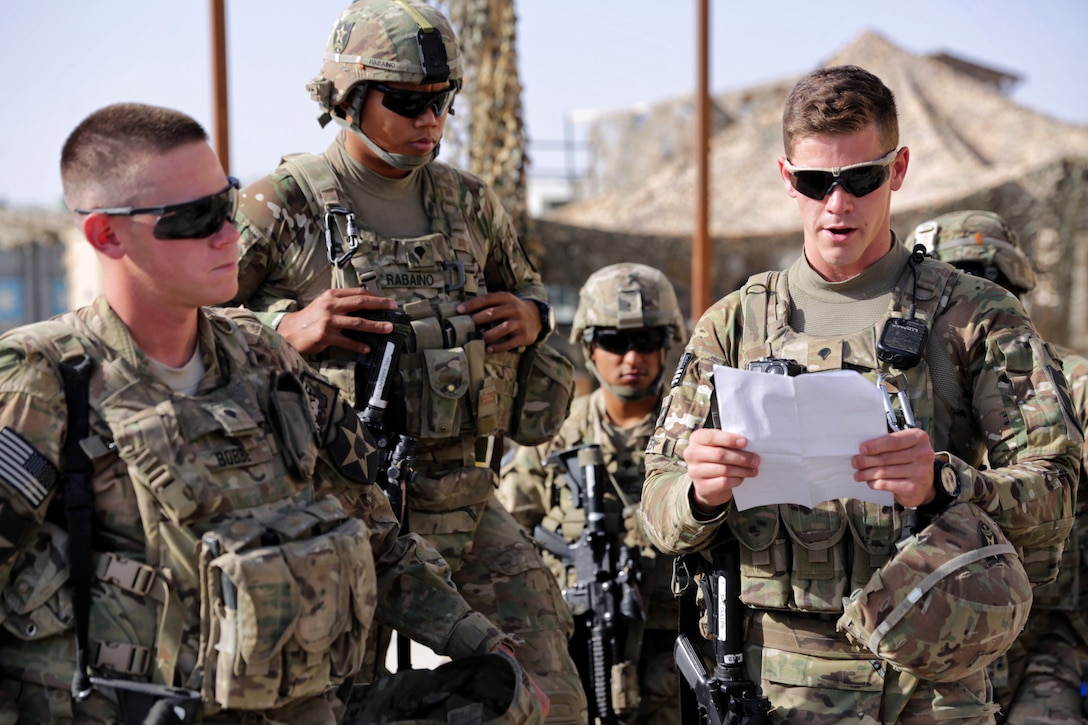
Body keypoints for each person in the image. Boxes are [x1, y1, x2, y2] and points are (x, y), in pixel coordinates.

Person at [0, 102, 543, 724]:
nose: (228, 234)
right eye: (195, 217)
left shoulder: (265, 358)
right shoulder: (40, 384)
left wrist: (485, 646)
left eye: (226, 204)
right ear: (106, 234)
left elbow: (376, 536)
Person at [639, 65, 1081, 724]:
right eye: (817, 183)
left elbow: (1056, 495)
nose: (838, 204)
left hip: (929, 683)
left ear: (897, 170)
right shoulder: (733, 325)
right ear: (788, 178)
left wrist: (945, 484)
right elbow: (656, 506)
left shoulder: (974, 315)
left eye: (861, 179)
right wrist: (699, 491)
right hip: (775, 687)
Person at [227, 1, 584, 722]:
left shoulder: (468, 203)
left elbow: (525, 288)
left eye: (442, 102)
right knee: (336, 702)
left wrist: (532, 313)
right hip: (340, 516)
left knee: (551, 693)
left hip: (462, 496)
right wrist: (282, 327)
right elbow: (186, 327)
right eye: (407, 102)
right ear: (348, 98)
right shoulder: (282, 203)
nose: (430, 121)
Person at [907, 210, 1088, 724]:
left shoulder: (1070, 383)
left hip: (1044, 643)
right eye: (954, 284)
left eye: (990, 284)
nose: (972, 303)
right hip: (932, 643)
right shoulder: (893, 391)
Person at [499, 263, 690, 724]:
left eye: (646, 341)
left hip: (673, 660)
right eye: (614, 341)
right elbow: (506, 535)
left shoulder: (692, 434)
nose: (632, 358)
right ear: (588, 346)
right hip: (569, 649)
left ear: (667, 346)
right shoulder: (554, 434)